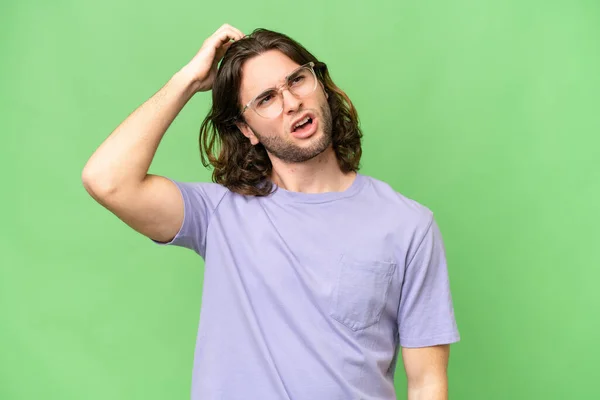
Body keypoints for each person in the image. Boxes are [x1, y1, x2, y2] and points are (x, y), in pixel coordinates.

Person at [82, 24, 460, 400]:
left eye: (297, 80)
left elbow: (427, 383)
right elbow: (106, 180)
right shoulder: (218, 215)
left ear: (321, 86)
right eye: (266, 99)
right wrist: (188, 80)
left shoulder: (409, 225)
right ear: (246, 129)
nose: (292, 102)